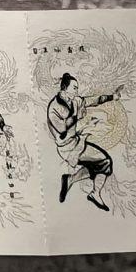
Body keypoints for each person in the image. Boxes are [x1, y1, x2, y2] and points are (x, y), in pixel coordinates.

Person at [49, 73, 120, 211]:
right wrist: (76, 117)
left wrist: (112, 97)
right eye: (74, 88)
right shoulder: (54, 108)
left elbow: (93, 100)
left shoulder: (74, 101)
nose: (77, 91)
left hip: (75, 141)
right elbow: (62, 129)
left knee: (98, 164)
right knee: (105, 162)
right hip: (67, 148)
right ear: (65, 88)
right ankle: (94, 193)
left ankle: (70, 180)